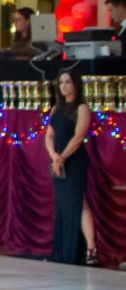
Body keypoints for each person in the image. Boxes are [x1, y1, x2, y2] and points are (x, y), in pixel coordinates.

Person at [48, 66, 96, 265]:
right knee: (63, 204)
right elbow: (49, 135)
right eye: (61, 82)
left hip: (74, 162)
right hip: (58, 162)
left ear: (75, 84)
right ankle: (64, 249)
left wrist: (62, 158)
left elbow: (78, 137)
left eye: (68, 82)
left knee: (79, 203)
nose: (64, 86)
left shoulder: (81, 108)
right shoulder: (56, 108)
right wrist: (53, 155)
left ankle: (91, 248)